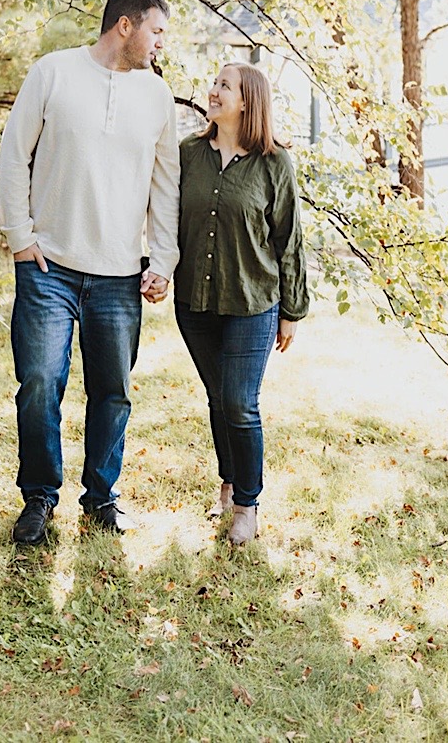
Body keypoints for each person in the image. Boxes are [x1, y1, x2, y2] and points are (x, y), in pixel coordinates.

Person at [0, 0, 180, 545]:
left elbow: (165, 186)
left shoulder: (157, 98)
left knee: (113, 390)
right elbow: (13, 153)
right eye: (156, 31)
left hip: (120, 273)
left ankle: (100, 496)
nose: (159, 45)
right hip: (49, 267)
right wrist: (20, 236)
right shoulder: (52, 72)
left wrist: (163, 260)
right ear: (125, 26)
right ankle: (39, 499)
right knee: (39, 383)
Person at [172, 62, 308, 546]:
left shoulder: (275, 164)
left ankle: (247, 504)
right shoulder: (188, 153)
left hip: (253, 302)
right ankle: (227, 482)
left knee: (238, 402)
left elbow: (289, 241)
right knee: (217, 397)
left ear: (248, 101)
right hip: (196, 301)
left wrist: (292, 311)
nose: (213, 91)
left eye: (224, 86)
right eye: (215, 83)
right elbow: (165, 216)